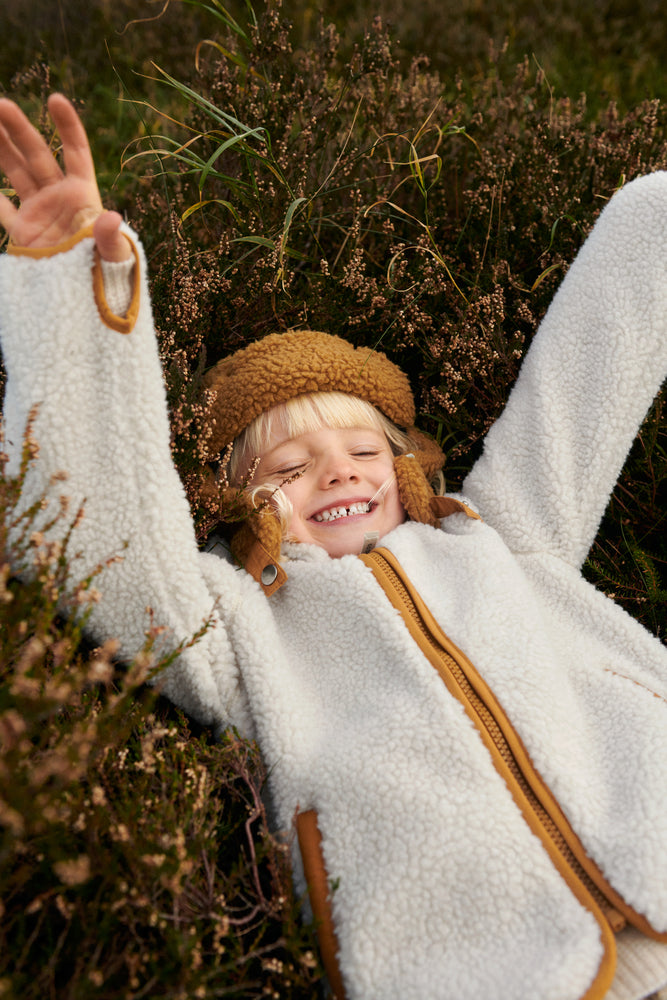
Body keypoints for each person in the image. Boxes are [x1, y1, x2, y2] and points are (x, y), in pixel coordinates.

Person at [1, 94, 667, 1000]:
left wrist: (653, 213)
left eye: (363, 451)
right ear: (240, 499)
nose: (339, 474)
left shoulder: (498, 533)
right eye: (291, 465)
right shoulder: (240, 620)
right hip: (479, 965)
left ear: (403, 465)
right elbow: (96, 546)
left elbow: (586, 373)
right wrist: (67, 298)